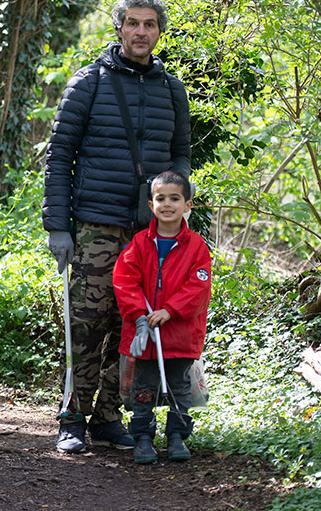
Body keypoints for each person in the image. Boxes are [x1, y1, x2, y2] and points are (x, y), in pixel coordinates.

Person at [42, 0, 192, 453]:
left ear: (158, 32)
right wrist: (58, 225)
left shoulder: (172, 90)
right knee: (86, 325)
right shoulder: (88, 83)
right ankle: (73, 417)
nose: (141, 32)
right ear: (119, 27)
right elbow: (59, 155)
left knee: (132, 327)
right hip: (95, 226)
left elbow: (181, 156)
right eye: (133, 23)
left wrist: (174, 205)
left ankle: (108, 415)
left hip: (149, 235)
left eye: (149, 24)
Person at [113, 170, 211, 464]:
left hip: (179, 332)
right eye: (160, 199)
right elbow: (124, 279)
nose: (167, 205)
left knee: (179, 386)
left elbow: (199, 286)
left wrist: (170, 310)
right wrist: (139, 316)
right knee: (144, 387)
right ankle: (142, 437)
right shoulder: (139, 244)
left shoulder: (196, 247)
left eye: (175, 198)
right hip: (145, 335)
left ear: (187, 204)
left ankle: (177, 436)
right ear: (151, 204)